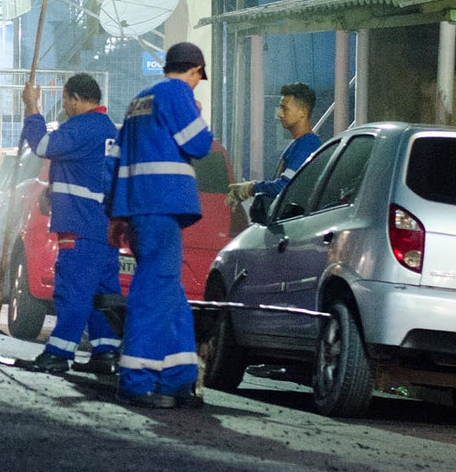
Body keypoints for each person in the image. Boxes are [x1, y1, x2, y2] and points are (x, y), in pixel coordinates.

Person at [108, 42, 213, 408]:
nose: (196, 84)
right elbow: (200, 144)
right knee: (153, 292)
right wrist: (196, 112)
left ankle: (178, 379)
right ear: (195, 70)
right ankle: (136, 380)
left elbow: (116, 160)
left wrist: (116, 215)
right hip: (163, 206)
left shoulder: (139, 100)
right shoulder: (177, 92)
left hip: (139, 209)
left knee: (171, 294)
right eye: (198, 77)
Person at [19, 74, 123, 375]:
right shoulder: (109, 129)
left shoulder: (81, 127)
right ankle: (106, 352)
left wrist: (32, 107)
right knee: (103, 294)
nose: (64, 106)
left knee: (73, 290)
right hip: (103, 227)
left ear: (76, 98)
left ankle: (58, 353)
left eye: (65, 99)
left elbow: (42, 145)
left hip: (79, 223)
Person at [228, 82, 322, 210]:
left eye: (285, 109)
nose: (280, 114)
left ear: (302, 112)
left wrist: (251, 188)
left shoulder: (306, 145)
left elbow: (283, 186)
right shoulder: (301, 143)